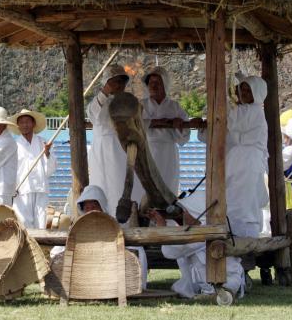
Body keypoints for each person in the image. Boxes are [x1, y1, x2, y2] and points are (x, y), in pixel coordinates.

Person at [202, 73, 269, 238]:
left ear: (257, 93)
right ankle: (234, 229)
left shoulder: (253, 111)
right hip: (238, 160)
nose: (243, 93)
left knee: (244, 199)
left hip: (247, 161)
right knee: (233, 197)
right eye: (242, 89)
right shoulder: (243, 110)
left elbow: (228, 121)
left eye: (248, 90)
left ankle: (246, 233)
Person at [153, 191, 245, 302]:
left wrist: (161, 226)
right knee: (184, 257)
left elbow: (168, 252)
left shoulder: (201, 236)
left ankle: (213, 292)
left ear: (197, 214)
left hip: (228, 284)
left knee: (182, 254)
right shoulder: (210, 229)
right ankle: (209, 291)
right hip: (231, 281)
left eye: (187, 211)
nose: (184, 214)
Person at [52, 184, 148, 288]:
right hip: (84, 267)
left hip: (108, 266)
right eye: (87, 208)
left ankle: (137, 287)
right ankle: (61, 287)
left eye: (94, 207)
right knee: (56, 251)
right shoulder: (78, 227)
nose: (91, 211)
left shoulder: (113, 225)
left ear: (102, 206)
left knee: (139, 249)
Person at [132, 66, 191, 203]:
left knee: (167, 187)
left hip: (168, 154)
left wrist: (178, 125)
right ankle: (145, 221)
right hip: (146, 151)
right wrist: (154, 122)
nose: (153, 86)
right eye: (151, 83)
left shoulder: (174, 107)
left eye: (157, 82)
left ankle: (167, 221)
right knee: (144, 188)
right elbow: (133, 124)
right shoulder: (141, 105)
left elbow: (184, 137)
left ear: (165, 84)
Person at [87, 64, 131, 216]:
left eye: (121, 81)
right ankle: (103, 223)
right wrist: (105, 92)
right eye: (114, 81)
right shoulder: (97, 102)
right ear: (107, 82)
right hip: (102, 152)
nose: (118, 85)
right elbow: (93, 114)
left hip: (123, 151)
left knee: (122, 186)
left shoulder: (129, 102)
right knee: (102, 188)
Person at [10, 109, 56, 229]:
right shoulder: (14, 145)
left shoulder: (44, 143)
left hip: (40, 187)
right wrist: (12, 186)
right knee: (23, 221)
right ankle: (28, 247)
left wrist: (47, 153)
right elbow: (11, 169)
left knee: (42, 221)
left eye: (27, 122)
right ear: (18, 126)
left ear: (33, 124)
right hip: (21, 189)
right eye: (22, 122)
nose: (25, 125)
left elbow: (51, 168)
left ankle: (41, 247)